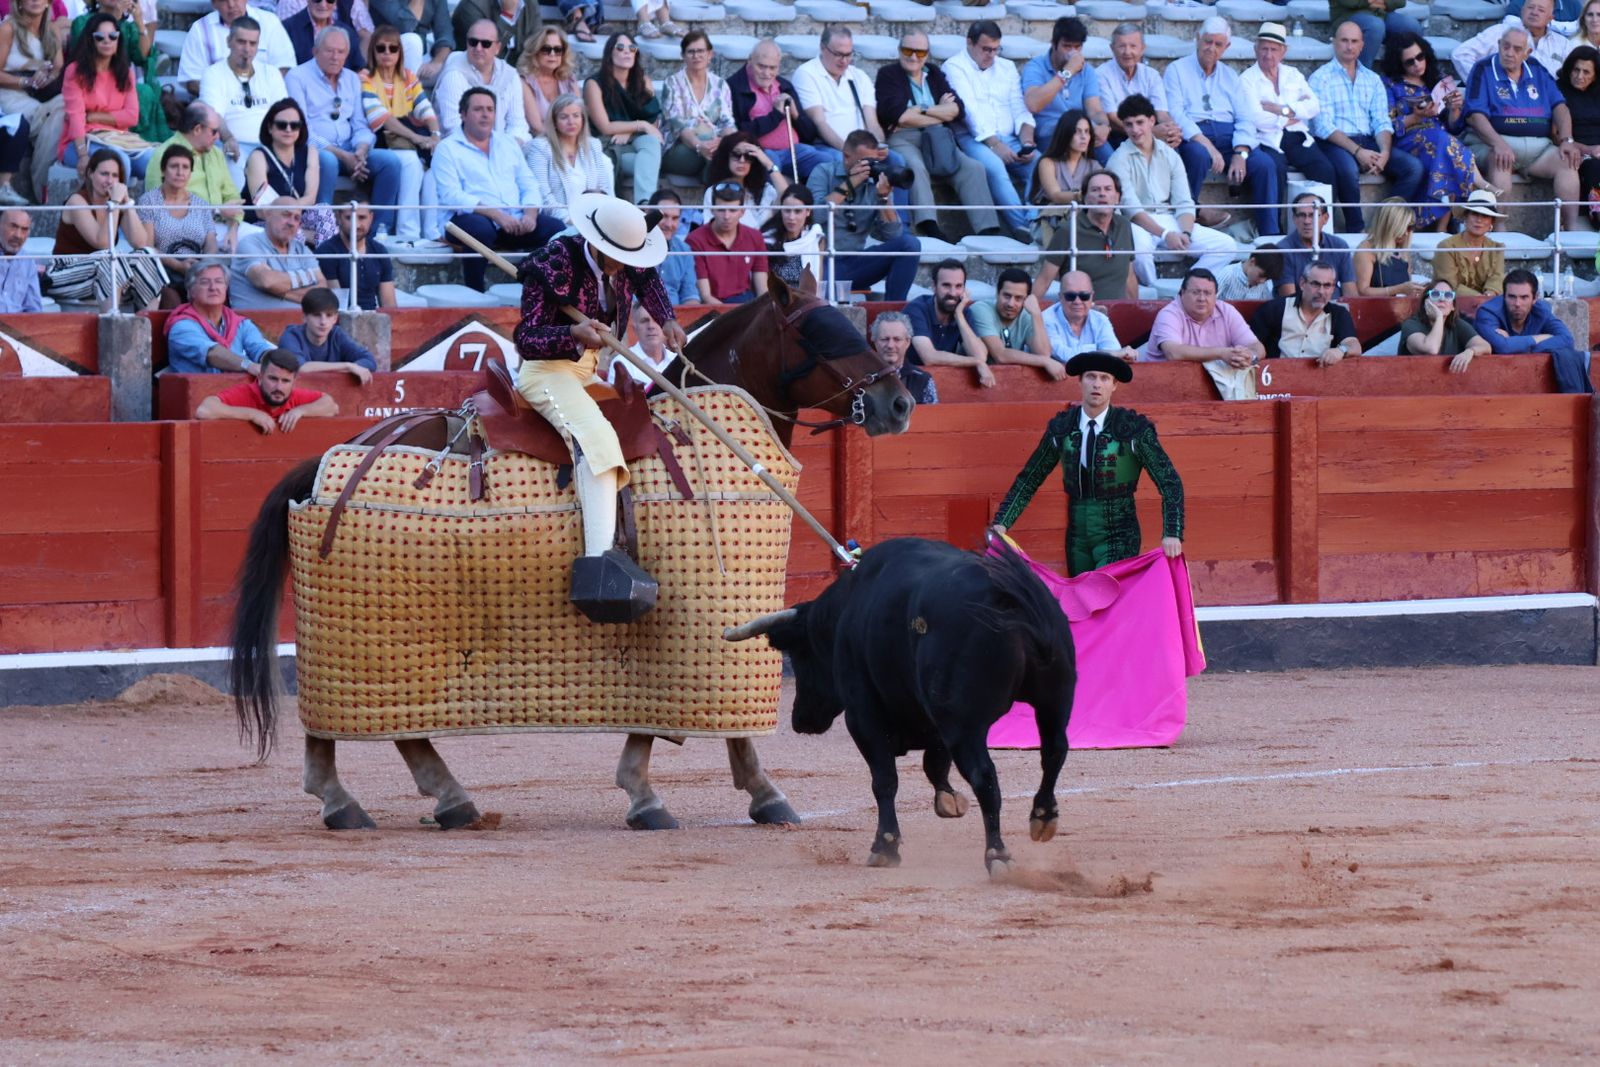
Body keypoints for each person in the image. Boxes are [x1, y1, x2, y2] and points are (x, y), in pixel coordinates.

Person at [511, 191, 687, 594]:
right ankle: (598, 566)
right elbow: (526, 338)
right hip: (547, 372)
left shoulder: (628, 254)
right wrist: (572, 332)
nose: (625, 268)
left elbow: (649, 280)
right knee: (599, 439)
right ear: (596, 243)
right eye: (617, 260)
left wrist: (668, 318)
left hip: (589, 372)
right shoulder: (553, 263)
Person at [991, 351, 1184, 576]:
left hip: (1119, 533)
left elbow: (1169, 481)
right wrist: (1002, 522)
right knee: (1080, 601)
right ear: (1080, 381)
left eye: (1104, 378)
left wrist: (1173, 531)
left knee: (1106, 597)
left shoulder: (1133, 429)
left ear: (1114, 385)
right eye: (1091, 377)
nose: (1097, 384)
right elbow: (1030, 478)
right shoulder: (1062, 427)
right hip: (1076, 536)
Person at [287, 28, 416, 240]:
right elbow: (301, 131)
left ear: (348, 54)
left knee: (389, 161)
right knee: (326, 161)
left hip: (351, 151)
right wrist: (343, 156)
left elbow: (360, 124)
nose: (335, 57)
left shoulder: (352, 79)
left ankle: (377, 234)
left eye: (341, 52)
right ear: (315, 51)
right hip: (317, 151)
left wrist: (361, 151)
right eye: (329, 51)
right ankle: (324, 231)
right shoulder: (297, 77)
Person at [876, 31, 998, 242]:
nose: (914, 57)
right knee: (914, 165)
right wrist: (938, 109)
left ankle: (988, 229)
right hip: (903, 137)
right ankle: (928, 224)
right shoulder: (888, 74)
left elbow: (957, 110)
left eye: (920, 52)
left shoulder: (933, 72)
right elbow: (897, 116)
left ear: (927, 54)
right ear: (899, 51)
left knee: (973, 167)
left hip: (938, 137)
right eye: (908, 50)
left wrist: (919, 110)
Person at [435, 86, 560, 290]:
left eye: (490, 109)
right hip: (469, 220)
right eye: (478, 109)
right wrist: (496, 215)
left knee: (556, 230)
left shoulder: (508, 143)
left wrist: (530, 214)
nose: (485, 115)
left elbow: (528, 182)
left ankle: (540, 292)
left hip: (515, 219)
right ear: (463, 114)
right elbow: (451, 195)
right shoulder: (447, 148)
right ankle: (474, 293)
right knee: (479, 230)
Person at [1164, 18, 1279, 237]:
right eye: (1208, 41)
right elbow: (1176, 114)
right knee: (1197, 155)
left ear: (1226, 47)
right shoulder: (1176, 70)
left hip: (1230, 139)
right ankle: (1188, 222)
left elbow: (1245, 118)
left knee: (1264, 164)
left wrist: (1241, 152)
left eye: (1218, 44)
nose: (1211, 48)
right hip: (1195, 135)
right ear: (1198, 39)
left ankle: (1269, 235)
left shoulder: (1230, 76)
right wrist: (1206, 144)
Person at [1463, 24, 1583, 229]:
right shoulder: (1483, 69)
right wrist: (1498, 143)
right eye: (1506, 46)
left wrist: (1567, 140)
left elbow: (1560, 107)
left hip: (1538, 149)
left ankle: (1571, 230)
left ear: (1528, 53)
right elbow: (1475, 116)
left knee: (1567, 162)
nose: (1510, 53)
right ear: (1499, 45)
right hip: (1494, 141)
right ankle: (1500, 229)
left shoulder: (1537, 69)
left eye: (1517, 49)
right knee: (1500, 159)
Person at [1108, 94, 1234, 287]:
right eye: (1129, 124)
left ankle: (1187, 288)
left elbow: (1184, 201)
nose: (1135, 130)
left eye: (1140, 122)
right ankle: (1155, 292)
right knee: (1140, 251)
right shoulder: (1117, 159)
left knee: (1227, 246)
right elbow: (1131, 210)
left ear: (1152, 121)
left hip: (1168, 218)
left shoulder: (1170, 155)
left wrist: (1186, 233)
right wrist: (1166, 235)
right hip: (1135, 223)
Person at [1310, 21, 1425, 233]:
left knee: (1413, 168)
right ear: (1334, 43)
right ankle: (1356, 229)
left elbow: (1381, 121)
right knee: (1347, 169)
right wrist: (1358, 152)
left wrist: (1384, 152)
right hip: (1335, 142)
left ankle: (1383, 226)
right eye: (1344, 40)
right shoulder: (1320, 78)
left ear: (1362, 45)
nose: (1349, 46)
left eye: (1354, 41)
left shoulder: (1372, 79)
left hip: (1369, 140)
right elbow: (1323, 126)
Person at [943, 19, 1036, 243]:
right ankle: (1022, 229)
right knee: (995, 169)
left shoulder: (1007, 67)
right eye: (986, 49)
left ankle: (1036, 220)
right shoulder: (954, 67)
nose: (991, 55)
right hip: (974, 138)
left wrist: (1027, 141)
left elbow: (1019, 107)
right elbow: (970, 113)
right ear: (969, 43)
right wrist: (995, 144)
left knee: (1041, 165)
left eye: (996, 49)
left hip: (1011, 138)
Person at [1379, 32, 1480, 232]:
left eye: (1420, 57)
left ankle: (1441, 227)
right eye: (1410, 62)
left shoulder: (1438, 79)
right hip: (1407, 140)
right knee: (1443, 143)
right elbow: (1386, 124)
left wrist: (1455, 108)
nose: (1417, 64)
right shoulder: (1390, 84)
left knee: (1443, 146)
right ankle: (1480, 183)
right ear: (1399, 64)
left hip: (1439, 140)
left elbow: (1455, 126)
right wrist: (1417, 117)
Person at [805, 129, 921, 303]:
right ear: (846, 156)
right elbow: (814, 215)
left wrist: (883, 198)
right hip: (823, 261)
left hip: (855, 262)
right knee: (825, 298)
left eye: (874, 161)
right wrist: (850, 183)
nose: (870, 167)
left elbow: (893, 236)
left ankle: (894, 312)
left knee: (910, 244)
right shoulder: (823, 172)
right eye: (865, 162)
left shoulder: (875, 184)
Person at [1239, 23, 1338, 225]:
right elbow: (1257, 118)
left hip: (1296, 135)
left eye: (1274, 49)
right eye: (1264, 48)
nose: (1268, 54)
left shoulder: (1293, 74)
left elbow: (1314, 106)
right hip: (1266, 139)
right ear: (1255, 49)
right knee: (1274, 170)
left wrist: (1280, 109)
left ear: (1283, 51)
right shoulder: (1246, 79)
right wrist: (1293, 113)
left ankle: (1322, 228)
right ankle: (1274, 229)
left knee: (1325, 170)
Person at [45, 146, 165, 310]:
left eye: (115, 176)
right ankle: (113, 323)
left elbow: (141, 243)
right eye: (104, 174)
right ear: (90, 174)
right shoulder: (77, 201)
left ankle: (149, 325)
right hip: (64, 272)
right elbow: (103, 243)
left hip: (99, 273)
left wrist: (127, 203)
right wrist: (115, 203)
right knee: (110, 258)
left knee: (146, 255)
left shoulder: (116, 205)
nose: (109, 181)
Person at [198, 16, 286, 188]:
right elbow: (213, 115)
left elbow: (282, 113)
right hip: (232, 144)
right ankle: (237, 213)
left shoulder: (271, 73)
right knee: (229, 154)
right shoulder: (213, 73)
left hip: (269, 145)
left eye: (253, 43)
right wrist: (229, 137)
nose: (247, 49)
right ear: (229, 41)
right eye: (241, 42)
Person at [59, 11, 148, 178]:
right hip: (81, 141)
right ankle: (118, 204)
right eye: (99, 37)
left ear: (118, 41)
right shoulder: (75, 71)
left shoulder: (125, 72)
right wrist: (83, 155)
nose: (107, 41)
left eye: (113, 36)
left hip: (118, 139)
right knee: (118, 163)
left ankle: (151, 204)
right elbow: (77, 118)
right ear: (90, 41)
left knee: (152, 162)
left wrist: (92, 117)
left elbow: (131, 116)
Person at [1475, 267, 1593, 393]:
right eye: (1511, 297)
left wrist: (1515, 343)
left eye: (1524, 297)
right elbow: (1504, 348)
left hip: (1535, 385)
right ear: (1504, 296)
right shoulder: (1488, 312)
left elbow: (1567, 340)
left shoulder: (1541, 310)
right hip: (1493, 384)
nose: (1517, 303)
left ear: (1535, 298)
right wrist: (1541, 338)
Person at [729, 38, 831, 183]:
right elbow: (740, 132)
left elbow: (809, 135)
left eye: (772, 68)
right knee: (770, 164)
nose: (767, 73)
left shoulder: (784, 86)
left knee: (826, 162)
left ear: (779, 66)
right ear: (749, 61)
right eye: (761, 66)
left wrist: (796, 115)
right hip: (761, 151)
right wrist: (776, 115)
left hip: (794, 150)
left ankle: (812, 204)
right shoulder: (735, 87)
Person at [136, 143, 220, 306]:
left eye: (185, 167)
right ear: (163, 170)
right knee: (172, 302)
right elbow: (147, 247)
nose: (180, 172)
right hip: (162, 269)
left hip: (197, 268)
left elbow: (211, 243)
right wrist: (179, 265)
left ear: (190, 172)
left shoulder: (201, 204)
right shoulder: (149, 201)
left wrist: (202, 264)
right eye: (174, 166)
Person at [1034, 168, 1137, 301]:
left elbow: (1129, 277)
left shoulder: (1124, 225)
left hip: (1118, 313)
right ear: (1085, 199)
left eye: (1108, 189)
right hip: (1081, 314)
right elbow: (1044, 280)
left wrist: (1134, 308)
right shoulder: (1067, 230)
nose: (1102, 194)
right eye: (1095, 190)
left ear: (1118, 197)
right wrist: (1025, 316)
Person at [243, 98, 335, 245]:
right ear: (269, 127)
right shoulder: (258, 156)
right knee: (292, 231)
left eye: (294, 125)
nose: (288, 129)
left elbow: (310, 199)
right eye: (281, 125)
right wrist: (302, 231)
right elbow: (263, 209)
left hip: (298, 217)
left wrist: (293, 216)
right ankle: (296, 265)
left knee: (324, 211)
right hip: (264, 221)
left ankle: (327, 264)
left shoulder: (310, 152)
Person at [584, 32, 663, 202]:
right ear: (609, 54)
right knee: (646, 163)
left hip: (636, 139)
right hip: (609, 143)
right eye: (620, 47)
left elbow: (653, 121)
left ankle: (645, 206)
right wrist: (639, 125)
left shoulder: (643, 80)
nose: (627, 51)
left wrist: (631, 132)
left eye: (632, 48)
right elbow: (605, 127)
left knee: (651, 142)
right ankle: (645, 204)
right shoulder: (594, 84)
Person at [142, 102, 244, 232]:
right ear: (197, 129)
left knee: (256, 241)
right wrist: (217, 212)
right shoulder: (164, 154)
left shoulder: (215, 153)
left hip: (224, 226)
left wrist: (233, 229)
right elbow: (158, 208)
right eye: (214, 131)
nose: (218, 137)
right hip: (183, 230)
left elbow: (232, 196)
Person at [164, 259, 276, 374]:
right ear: (191, 291)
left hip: (238, 389)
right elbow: (212, 353)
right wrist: (248, 365)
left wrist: (273, 361)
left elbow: (260, 348)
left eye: (219, 281)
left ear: (225, 288)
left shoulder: (240, 323)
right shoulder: (181, 326)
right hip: (200, 390)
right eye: (204, 282)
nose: (213, 287)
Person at [793, 26, 889, 158]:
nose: (844, 61)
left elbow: (872, 122)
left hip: (862, 148)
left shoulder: (859, 76)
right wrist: (849, 152)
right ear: (822, 48)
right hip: (827, 146)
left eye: (848, 54)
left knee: (897, 161)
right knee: (841, 162)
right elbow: (819, 123)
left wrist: (879, 145)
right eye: (838, 54)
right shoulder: (807, 74)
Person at [196, 346, 340, 433]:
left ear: (294, 382)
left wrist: (300, 411)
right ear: (260, 377)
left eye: (285, 381)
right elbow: (205, 410)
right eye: (273, 379)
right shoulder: (247, 393)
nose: (278, 387)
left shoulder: (294, 395)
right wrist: (251, 414)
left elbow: (331, 406)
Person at [1021, 16, 1109, 155]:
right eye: (1067, 46)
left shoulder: (1087, 70)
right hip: (1050, 132)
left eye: (1077, 47)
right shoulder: (1035, 67)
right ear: (1053, 44)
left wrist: (1103, 126)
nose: (1072, 52)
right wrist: (1067, 72)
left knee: (1107, 153)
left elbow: (1094, 109)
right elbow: (1033, 104)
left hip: (1081, 130)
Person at [435, 17, 530, 146]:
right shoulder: (454, 74)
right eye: (473, 42)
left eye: (486, 43)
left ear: (497, 48)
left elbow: (517, 124)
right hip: (462, 150)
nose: (478, 48)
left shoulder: (510, 75)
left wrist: (507, 148)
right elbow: (453, 128)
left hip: (504, 149)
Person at [1248, 261, 1364, 364]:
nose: (1321, 291)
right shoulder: (1275, 309)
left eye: (1327, 285)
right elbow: (1250, 344)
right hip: (1277, 380)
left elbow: (1354, 345)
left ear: (1333, 288)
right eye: (1315, 284)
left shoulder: (1339, 314)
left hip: (1320, 381)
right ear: (1302, 283)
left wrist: (1340, 351)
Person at [1147, 267, 1265, 367]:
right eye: (1195, 292)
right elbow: (1173, 353)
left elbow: (1256, 346)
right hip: (1166, 380)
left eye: (1208, 293)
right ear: (1182, 293)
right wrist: (1221, 353)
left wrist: (1249, 357)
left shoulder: (1227, 311)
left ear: (1215, 296)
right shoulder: (1169, 313)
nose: (1202, 299)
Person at [177, 0, 295, 97]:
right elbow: (192, 81)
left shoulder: (269, 22)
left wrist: (259, 93)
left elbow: (284, 68)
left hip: (266, 102)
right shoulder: (200, 29)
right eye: (224, 0)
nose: (231, 4)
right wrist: (229, 97)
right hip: (218, 105)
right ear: (214, 3)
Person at [361, 24, 441, 165]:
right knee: (411, 162)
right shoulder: (366, 78)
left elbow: (424, 108)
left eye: (393, 48)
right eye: (381, 48)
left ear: (399, 53)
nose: (387, 52)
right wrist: (416, 138)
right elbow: (382, 118)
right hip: (380, 140)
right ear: (372, 51)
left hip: (407, 136)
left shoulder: (408, 77)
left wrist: (435, 135)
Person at [962, 266, 1061, 379]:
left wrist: (1036, 314)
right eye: (1007, 296)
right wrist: (1044, 361)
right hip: (973, 380)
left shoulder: (1028, 314)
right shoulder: (981, 309)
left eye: (1018, 298)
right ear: (997, 293)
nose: (1011, 303)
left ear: (1026, 299)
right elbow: (1000, 355)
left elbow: (1043, 353)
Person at [1097, 24, 1182, 155]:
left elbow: (1161, 113)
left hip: (1147, 131)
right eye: (1122, 46)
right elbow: (1112, 117)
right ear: (1112, 49)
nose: (1127, 52)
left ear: (1142, 49)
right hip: (1119, 134)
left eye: (1133, 46)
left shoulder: (1151, 75)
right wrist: (1148, 133)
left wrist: (1170, 130)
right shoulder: (1101, 74)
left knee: (1171, 144)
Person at [902, 258, 988, 386]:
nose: (953, 293)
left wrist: (959, 315)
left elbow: (980, 355)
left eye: (958, 286)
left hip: (946, 381)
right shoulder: (916, 309)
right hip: (911, 382)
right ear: (934, 286)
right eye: (946, 285)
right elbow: (929, 357)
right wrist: (976, 362)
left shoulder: (963, 312)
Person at [527, 92, 614, 218]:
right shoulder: (540, 148)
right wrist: (572, 220)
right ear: (554, 122)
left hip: (594, 219)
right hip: (561, 220)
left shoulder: (593, 145)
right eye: (563, 117)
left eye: (576, 116)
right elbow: (544, 197)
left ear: (583, 119)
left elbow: (605, 189)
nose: (571, 122)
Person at [661, 30, 734, 180]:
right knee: (718, 155)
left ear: (710, 54)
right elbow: (679, 126)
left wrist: (721, 142)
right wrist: (700, 146)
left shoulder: (720, 85)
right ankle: (715, 198)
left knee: (727, 151)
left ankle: (714, 194)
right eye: (691, 52)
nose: (696, 56)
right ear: (683, 56)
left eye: (701, 51)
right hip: (679, 148)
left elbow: (727, 123)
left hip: (712, 146)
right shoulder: (672, 84)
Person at [230, 204, 328, 309]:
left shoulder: (302, 249)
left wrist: (278, 291)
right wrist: (307, 276)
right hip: (255, 323)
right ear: (268, 215)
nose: (291, 223)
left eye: (296, 218)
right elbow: (266, 281)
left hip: (302, 322)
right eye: (286, 215)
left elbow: (321, 291)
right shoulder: (249, 243)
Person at [685, 180, 767, 303]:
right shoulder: (695, 240)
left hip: (745, 302)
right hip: (712, 307)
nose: (727, 216)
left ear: (742, 212)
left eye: (732, 210)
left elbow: (762, 290)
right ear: (712, 210)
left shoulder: (755, 237)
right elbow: (705, 296)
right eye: (721, 210)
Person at [1452, 0, 1572, 83]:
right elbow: (1461, 54)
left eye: (1541, 10)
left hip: (1546, 108)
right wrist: (1484, 85)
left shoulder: (1563, 44)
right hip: (1504, 104)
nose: (1534, 12)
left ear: (1551, 17)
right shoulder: (1500, 32)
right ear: (1522, 10)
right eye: (1530, 7)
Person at [278, 284, 376, 380]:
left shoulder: (336, 335)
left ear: (335, 318)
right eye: (316, 315)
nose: (323, 322)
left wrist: (349, 368)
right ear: (304, 317)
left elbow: (369, 361)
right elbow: (299, 368)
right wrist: (348, 366)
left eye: (329, 315)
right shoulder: (291, 336)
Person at [1272, 193, 1357, 297]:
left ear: (1325, 218)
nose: (1307, 221)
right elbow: (1289, 301)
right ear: (1294, 219)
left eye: (1313, 215)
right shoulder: (1282, 250)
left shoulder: (1339, 246)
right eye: (1302, 215)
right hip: (1298, 311)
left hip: (1335, 308)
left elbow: (1351, 295)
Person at [316, 199, 396, 309]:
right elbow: (336, 306)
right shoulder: (326, 252)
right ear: (339, 218)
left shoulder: (379, 251)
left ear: (371, 218)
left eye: (362, 217)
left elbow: (389, 305)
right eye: (349, 218)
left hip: (374, 320)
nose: (356, 225)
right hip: (341, 321)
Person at [700, 129, 789, 228]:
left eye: (748, 156)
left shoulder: (765, 190)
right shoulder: (714, 191)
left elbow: (785, 195)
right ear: (726, 158)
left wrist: (768, 163)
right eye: (736, 154)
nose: (742, 160)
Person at [1042, 269, 1132, 364]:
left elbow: (1114, 355)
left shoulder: (1100, 319)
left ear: (1092, 296)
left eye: (1084, 296)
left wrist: (1109, 353)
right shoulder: (1045, 319)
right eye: (1070, 296)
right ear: (1060, 297)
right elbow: (1064, 356)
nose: (1077, 301)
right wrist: (1098, 349)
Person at [1401, 278, 1492, 371]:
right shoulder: (1411, 324)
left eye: (1448, 295)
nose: (1442, 299)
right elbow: (1432, 349)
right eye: (1435, 294)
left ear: (1452, 306)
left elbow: (1486, 346)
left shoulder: (1457, 324)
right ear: (1425, 302)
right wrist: (1439, 317)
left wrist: (1470, 351)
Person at [1434, 189, 1508, 295]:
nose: (1479, 220)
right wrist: (1480, 298)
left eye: (1485, 216)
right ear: (1465, 216)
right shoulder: (1446, 246)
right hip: (1451, 305)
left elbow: (1496, 279)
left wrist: (1489, 295)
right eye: (1474, 214)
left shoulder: (1497, 249)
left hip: (1487, 304)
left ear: (1492, 221)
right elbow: (1449, 284)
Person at [1557, 45, 1600, 223]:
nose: (1579, 76)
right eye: (1576, 70)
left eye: (1586, 72)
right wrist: (1589, 149)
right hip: (1576, 149)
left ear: (1595, 74)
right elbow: (1556, 134)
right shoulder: (1558, 90)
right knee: (1595, 167)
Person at [1352, 197, 1423, 298]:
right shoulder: (1366, 249)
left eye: (1410, 228)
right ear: (1390, 226)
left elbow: (1406, 288)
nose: (1407, 233)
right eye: (1404, 228)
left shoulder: (1403, 251)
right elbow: (1362, 291)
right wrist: (1398, 289)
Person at [368, 0, 453, 84]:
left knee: (455, 61)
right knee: (412, 41)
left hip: (421, 60)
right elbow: (406, 26)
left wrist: (437, 62)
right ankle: (408, 93)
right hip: (387, 56)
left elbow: (445, 32)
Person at [518, 25, 577, 137]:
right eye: (546, 49)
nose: (552, 54)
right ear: (535, 52)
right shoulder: (524, 82)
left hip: (571, 141)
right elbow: (537, 127)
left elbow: (580, 118)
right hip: (541, 142)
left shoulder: (569, 79)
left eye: (558, 49)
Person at [1030, 109, 1094, 211]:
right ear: (1065, 133)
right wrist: (1085, 195)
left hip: (1083, 220)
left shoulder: (1093, 165)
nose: (1084, 137)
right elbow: (1055, 196)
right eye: (1077, 132)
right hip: (1050, 219)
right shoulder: (1047, 162)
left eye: (1087, 131)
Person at [762, 184, 823, 289]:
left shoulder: (815, 236)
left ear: (808, 211)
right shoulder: (767, 239)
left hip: (807, 299)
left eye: (797, 211)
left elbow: (818, 280)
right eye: (787, 210)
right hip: (776, 299)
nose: (791, 217)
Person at [869, 309, 936, 405]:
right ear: (874, 341)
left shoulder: (923, 380)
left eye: (897, 339)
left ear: (907, 342)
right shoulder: (860, 378)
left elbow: (933, 417)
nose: (890, 345)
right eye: (884, 339)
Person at [1332, 0, 1424, 69]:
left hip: (1381, 14)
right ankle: (1359, 76)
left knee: (1412, 26)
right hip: (1349, 15)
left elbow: (1400, 1)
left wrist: (1385, 1)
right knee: (1375, 26)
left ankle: (1399, 78)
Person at [608, 297, 674, 390]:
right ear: (635, 329)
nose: (651, 326)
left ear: (664, 326)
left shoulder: (676, 360)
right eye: (644, 321)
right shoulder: (622, 363)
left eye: (656, 320)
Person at [451, 0, 539, 69]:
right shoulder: (471, 6)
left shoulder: (530, 3)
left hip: (515, 76)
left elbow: (537, 47)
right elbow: (485, 52)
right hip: (473, 74)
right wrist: (507, 15)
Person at [646, 188, 697, 305]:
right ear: (648, 212)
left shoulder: (684, 250)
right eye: (664, 216)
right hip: (639, 318)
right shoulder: (631, 244)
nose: (669, 224)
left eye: (675, 218)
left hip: (676, 318)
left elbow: (690, 296)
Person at [284, 0, 360, 70]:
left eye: (329, 0)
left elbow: (359, 68)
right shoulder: (287, 29)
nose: (323, 5)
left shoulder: (347, 32)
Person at [0, 206, 39, 312]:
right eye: (13, 226)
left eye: (24, 229)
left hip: (15, 327)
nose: (18, 235)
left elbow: (34, 311)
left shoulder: (28, 262)